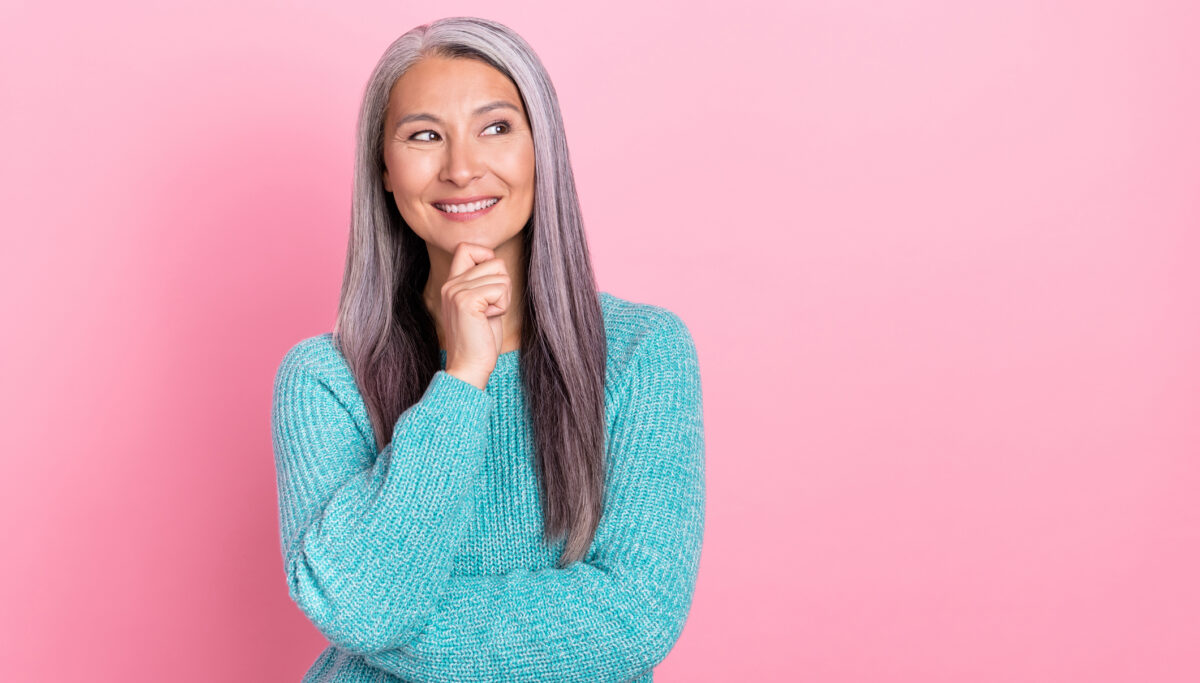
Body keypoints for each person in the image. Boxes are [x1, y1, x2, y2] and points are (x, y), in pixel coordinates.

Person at [270, 16, 705, 683]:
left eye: (496, 128)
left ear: (541, 149)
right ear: (384, 169)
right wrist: (463, 379)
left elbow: (636, 615)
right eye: (424, 136)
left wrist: (398, 627)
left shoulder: (643, 353)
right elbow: (358, 602)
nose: (462, 167)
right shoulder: (325, 379)